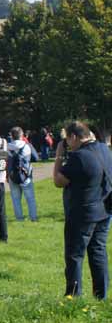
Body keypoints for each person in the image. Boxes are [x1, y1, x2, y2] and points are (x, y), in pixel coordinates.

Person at [53, 121, 112, 300]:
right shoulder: (104, 149)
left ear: (74, 136)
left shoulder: (79, 156)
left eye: (67, 140)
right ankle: (101, 295)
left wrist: (58, 156)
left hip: (83, 212)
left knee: (75, 255)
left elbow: (58, 181)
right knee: (98, 252)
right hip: (104, 209)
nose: (67, 144)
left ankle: (73, 295)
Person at [7, 126, 40, 222]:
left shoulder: (7, 147)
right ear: (21, 135)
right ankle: (33, 218)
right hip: (26, 175)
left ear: (11, 136)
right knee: (30, 199)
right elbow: (36, 158)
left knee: (16, 199)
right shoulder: (27, 146)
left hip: (12, 175)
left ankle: (19, 218)